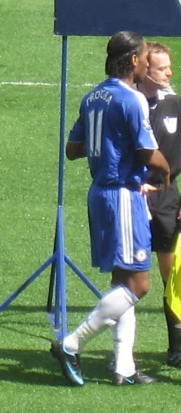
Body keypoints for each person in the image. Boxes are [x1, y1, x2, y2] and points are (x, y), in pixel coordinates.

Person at [52, 30, 171, 386]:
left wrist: (106, 142)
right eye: (146, 56)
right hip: (122, 194)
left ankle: (123, 366)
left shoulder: (92, 97)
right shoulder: (131, 99)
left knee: (122, 278)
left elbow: (73, 150)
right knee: (139, 283)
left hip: (99, 192)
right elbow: (150, 153)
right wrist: (164, 171)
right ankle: (71, 343)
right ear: (133, 60)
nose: (149, 63)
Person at [136, 41, 181, 366]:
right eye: (162, 67)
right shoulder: (131, 102)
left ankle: (176, 348)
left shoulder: (176, 105)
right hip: (133, 196)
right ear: (144, 70)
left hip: (166, 200)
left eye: (169, 66)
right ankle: (123, 355)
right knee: (132, 277)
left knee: (173, 276)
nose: (169, 72)